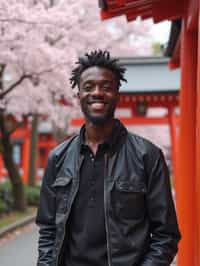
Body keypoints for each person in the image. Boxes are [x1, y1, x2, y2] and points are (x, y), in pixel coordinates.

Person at [36, 50, 181, 266]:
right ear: (78, 97)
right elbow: (48, 230)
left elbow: (165, 234)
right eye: (88, 87)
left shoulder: (147, 156)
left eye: (106, 87)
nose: (97, 93)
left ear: (117, 94)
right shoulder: (58, 158)